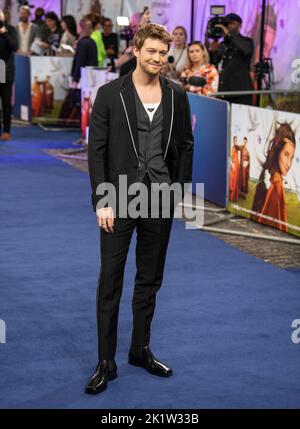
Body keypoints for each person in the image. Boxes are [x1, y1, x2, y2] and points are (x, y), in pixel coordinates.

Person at [86, 23, 194, 394]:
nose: (158, 59)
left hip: (159, 199)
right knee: (110, 282)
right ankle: (106, 361)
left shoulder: (177, 96)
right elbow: (96, 151)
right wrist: (102, 200)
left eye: (163, 54)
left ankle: (139, 349)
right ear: (136, 50)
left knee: (149, 280)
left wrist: (178, 192)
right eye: (151, 51)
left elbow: (186, 144)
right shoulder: (109, 94)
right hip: (118, 197)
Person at [251, 123, 296, 232]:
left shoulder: (271, 175)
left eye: (291, 157)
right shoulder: (276, 183)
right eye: (286, 154)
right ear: (277, 151)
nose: (289, 164)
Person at [209, 13, 254, 105]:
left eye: (232, 23)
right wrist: (213, 51)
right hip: (223, 93)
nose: (228, 26)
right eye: (227, 24)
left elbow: (246, 50)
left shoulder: (247, 41)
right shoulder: (222, 45)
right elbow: (213, 65)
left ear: (239, 25)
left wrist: (228, 34)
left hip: (240, 94)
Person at [0, 8, 18, 141]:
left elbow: (14, 47)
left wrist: (4, 33)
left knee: (6, 101)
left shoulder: (10, 29)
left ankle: (6, 130)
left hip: (6, 69)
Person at [71, 17, 98, 87]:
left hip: (83, 79)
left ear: (80, 28)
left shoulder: (82, 43)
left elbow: (80, 62)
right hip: (91, 77)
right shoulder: (93, 42)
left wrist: (75, 79)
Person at [229, 136, 240, 202]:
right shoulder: (233, 148)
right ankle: (232, 196)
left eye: (237, 140)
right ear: (233, 141)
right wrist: (232, 165)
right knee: (233, 182)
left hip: (236, 167)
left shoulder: (236, 148)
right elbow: (231, 158)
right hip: (234, 168)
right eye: (235, 140)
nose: (236, 141)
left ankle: (234, 196)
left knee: (235, 182)